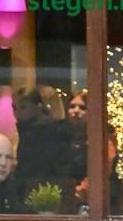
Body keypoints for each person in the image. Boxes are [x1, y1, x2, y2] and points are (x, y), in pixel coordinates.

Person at [12, 84, 86, 213]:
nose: (18, 113)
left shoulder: (49, 132)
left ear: (38, 106)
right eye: (14, 108)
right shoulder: (25, 131)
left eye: (23, 107)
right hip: (35, 193)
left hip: (48, 193)